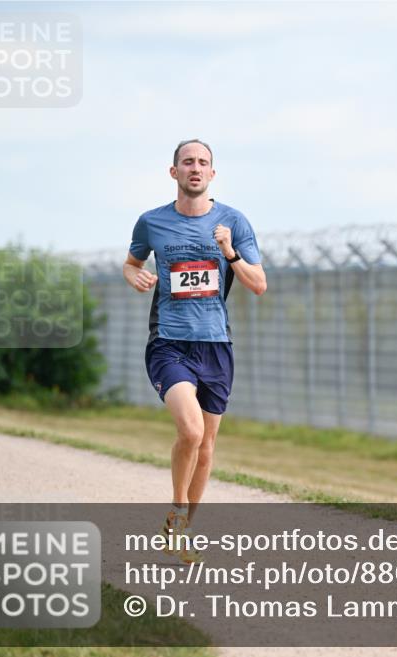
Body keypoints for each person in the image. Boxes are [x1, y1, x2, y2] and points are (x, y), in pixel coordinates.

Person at [123, 139, 266, 563]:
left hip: (216, 345)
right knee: (191, 431)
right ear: (174, 173)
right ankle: (177, 507)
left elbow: (258, 283)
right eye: (188, 162)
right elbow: (131, 263)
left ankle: (180, 529)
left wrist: (230, 252)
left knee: (206, 448)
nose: (195, 169)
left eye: (203, 163)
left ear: (212, 174)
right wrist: (134, 275)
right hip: (169, 342)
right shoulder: (152, 222)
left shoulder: (233, 222)